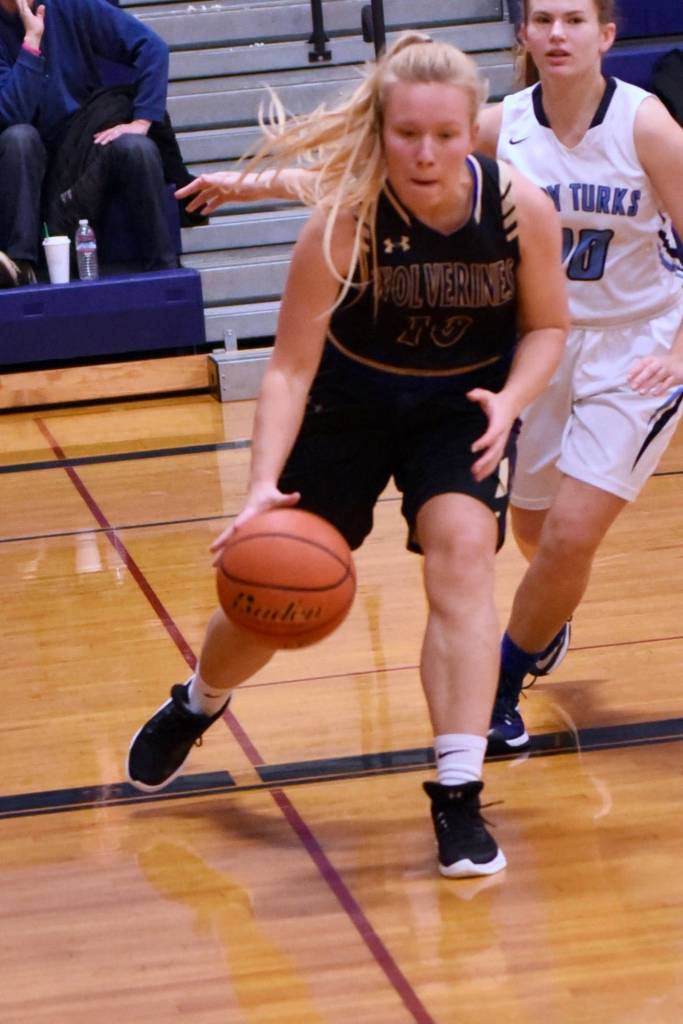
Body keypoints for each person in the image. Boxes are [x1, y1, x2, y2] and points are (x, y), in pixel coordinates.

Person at [176, 0, 683, 756]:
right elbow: (370, 171)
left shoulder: (645, 126)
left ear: (606, 34)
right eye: (541, 17)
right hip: (537, 344)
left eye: (574, 19)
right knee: (539, 536)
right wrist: (251, 184)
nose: (555, 33)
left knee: (570, 536)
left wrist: (676, 351)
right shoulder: (495, 124)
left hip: (635, 342)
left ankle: (503, 685)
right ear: (522, 33)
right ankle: (544, 624)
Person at [127, 33, 568, 878]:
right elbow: (289, 368)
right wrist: (259, 487)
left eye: (446, 134)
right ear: (380, 129)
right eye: (408, 135)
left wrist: (512, 402)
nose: (428, 152)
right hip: (347, 406)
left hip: (458, 407)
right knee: (270, 594)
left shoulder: (517, 208)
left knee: (466, 562)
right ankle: (198, 700)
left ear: (470, 127)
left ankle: (457, 789)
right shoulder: (345, 221)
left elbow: (547, 326)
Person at [0, 0, 178, 281]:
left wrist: (142, 121)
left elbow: (153, 48)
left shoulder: (72, 5)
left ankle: (165, 271)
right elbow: (11, 112)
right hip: (27, 162)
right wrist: (32, 41)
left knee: (136, 148)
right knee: (19, 138)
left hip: (83, 142)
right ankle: (21, 267)